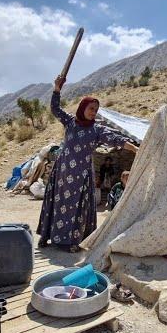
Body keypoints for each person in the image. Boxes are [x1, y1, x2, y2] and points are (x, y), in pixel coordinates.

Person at [36, 75, 139, 253]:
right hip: (62, 171)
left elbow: (116, 139)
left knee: (76, 207)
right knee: (57, 203)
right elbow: (55, 108)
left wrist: (135, 149)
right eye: (91, 108)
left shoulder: (97, 130)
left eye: (96, 110)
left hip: (81, 175)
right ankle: (48, 235)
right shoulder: (70, 122)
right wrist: (57, 88)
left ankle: (72, 241)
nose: (93, 112)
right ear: (83, 107)